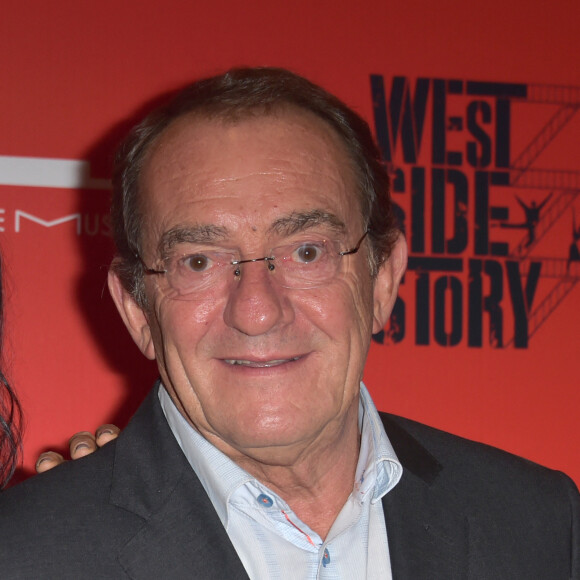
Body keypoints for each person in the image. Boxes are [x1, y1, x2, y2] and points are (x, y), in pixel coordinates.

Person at [0, 67, 577, 579]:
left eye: (306, 252)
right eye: (198, 261)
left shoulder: (540, 524)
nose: (257, 310)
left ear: (382, 280)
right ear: (136, 310)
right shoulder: (25, 553)